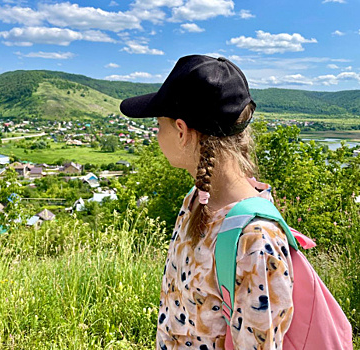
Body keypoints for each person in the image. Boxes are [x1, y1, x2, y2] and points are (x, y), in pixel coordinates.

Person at [120, 55, 294, 350]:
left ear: (181, 130)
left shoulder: (255, 242)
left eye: (158, 125)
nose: (156, 135)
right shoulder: (197, 199)